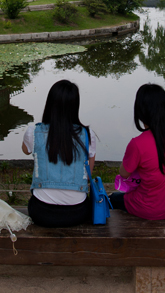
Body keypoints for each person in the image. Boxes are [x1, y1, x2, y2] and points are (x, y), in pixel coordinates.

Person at [109, 83, 165, 220]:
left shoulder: (138, 143)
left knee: (113, 198)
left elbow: (123, 174)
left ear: (140, 111)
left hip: (151, 208)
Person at [22, 80, 97, 227]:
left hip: (41, 212)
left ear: (50, 104)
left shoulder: (33, 132)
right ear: (76, 105)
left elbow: (26, 150)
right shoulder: (88, 135)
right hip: (77, 212)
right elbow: (87, 176)